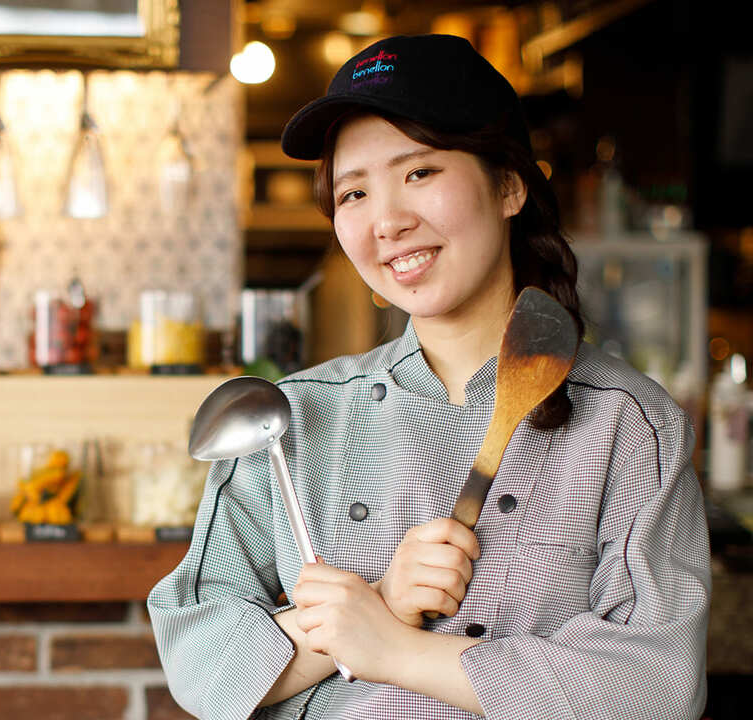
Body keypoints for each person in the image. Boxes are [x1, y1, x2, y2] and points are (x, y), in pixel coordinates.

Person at [148, 34, 710, 720]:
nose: (387, 221)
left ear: (508, 183)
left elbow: (655, 688)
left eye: (419, 173)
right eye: (353, 192)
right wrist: (382, 599)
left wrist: (397, 650)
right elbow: (201, 668)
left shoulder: (628, 424)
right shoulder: (290, 421)